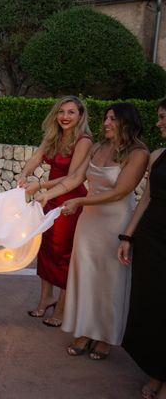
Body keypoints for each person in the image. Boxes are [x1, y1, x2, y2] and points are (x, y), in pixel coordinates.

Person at [37, 103, 149, 361]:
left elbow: (121, 191)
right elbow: (75, 178)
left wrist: (79, 202)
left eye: (113, 119)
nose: (107, 123)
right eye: (106, 118)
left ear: (127, 122)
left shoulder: (138, 153)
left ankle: (105, 337)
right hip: (89, 223)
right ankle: (85, 331)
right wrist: (46, 194)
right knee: (85, 277)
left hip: (116, 224)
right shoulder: (98, 147)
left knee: (109, 280)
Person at [17, 96, 92, 327]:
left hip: (68, 200)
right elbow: (37, 157)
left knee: (62, 253)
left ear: (80, 116)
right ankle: (45, 298)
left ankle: (61, 306)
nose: (65, 117)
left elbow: (72, 177)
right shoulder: (54, 135)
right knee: (45, 248)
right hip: (48, 199)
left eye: (71, 112)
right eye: (61, 112)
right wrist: (24, 175)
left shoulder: (84, 140)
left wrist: (39, 186)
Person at [118, 98, 166, 399]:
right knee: (151, 306)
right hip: (152, 237)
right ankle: (157, 371)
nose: (159, 123)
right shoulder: (158, 155)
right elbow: (145, 198)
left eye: (163, 117)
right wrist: (128, 237)